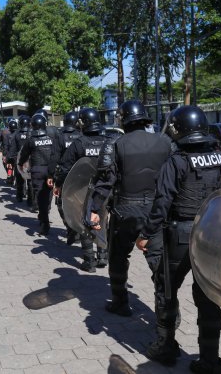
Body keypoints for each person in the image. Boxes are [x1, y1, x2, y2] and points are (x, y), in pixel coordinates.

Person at [137, 105, 221, 373]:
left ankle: (166, 346)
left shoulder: (176, 162)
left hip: (179, 235)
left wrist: (146, 234)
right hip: (212, 233)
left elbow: (162, 203)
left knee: (167, 290)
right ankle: (210, 360)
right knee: (209, 297)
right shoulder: (219, 158)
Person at [88, 100, 171, 317]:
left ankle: (120, 302)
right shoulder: (164, 142)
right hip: (156, 211)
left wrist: (95, 208)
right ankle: (168, 310)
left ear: (124, 119)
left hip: (125, 210)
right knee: (159, 262)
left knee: (117, 257)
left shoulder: (117, 144)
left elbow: (106, 180)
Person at [54, 107, 110, 272]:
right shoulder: (108, 140)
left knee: (85, 221)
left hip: (83, 189)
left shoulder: (79, 143)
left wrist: (59, 184)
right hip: (105, 189)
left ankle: (89, 261)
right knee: (102, 219)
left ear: (82, 123)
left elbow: (65, 167)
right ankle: (103, 256)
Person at [18, 114, 59, 235]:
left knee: (41, 197)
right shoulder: (52, 138)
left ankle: (44, 221)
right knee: (48, 193)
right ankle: (46, 213)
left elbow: (24, 154)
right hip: (50, 171)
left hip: (37, 171)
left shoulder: (31, 140)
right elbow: (57, 153)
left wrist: (20, 165)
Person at [56, 111, 81, 245]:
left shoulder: (60, 137)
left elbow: (55, 157)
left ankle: (71, 229)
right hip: (79, 177)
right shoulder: (81, 136)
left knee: (61, 205)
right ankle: (73, 229)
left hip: (65, 176)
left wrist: (54, 177)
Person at [9, 115, 33, 203]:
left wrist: (10, 159)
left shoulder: (17, 134)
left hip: (19, 159)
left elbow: (13, 148)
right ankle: (30, 199)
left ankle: (19, 196)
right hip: (30, 160)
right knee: (30, 180)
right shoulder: (32, 133)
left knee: (19, 179)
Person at [0, 118, 18, 185]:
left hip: (9, 154)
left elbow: (5, 146)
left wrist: (4, 155)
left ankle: (10, 178)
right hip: (17, 155)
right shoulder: (18, 134)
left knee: (9, 166)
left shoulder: (5, 133)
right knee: (16, 168)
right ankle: (15, 179)